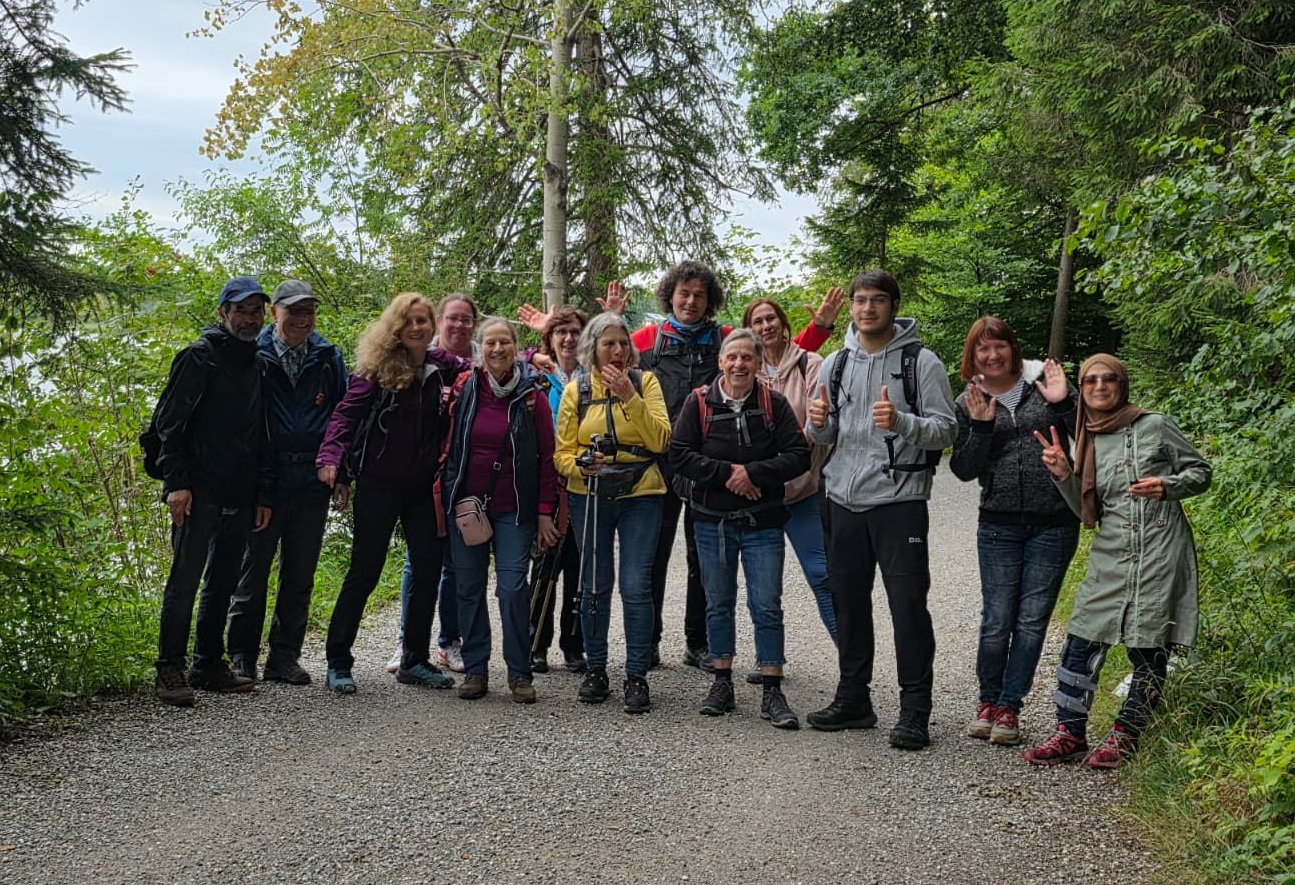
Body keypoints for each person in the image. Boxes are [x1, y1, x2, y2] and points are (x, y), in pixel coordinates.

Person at [524, 265, 842, 668]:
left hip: (707, 466)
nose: (690, 301)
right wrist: (558, 331)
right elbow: (601, 347)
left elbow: (767, 350)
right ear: (669, 297)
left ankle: (699, 642)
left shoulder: (723, 338)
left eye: (698, 295)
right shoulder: (652, 339)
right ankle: (650, 640)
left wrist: (819, 331)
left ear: (710, 301)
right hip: (655, 466)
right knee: (653, 555)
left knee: (703, 555)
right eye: (683, 294)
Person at [1025, 354, 1211, 768]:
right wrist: (1062, 475)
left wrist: (1168, 485)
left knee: (1149, 645)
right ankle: (1068, 733)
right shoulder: (1086, 436)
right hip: (1111, 549)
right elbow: (1086, 510)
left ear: (1121, 384)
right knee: (1080, 641)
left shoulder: (1155, 425)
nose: (1100, 386)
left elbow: (1201, 472)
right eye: (1090, 380)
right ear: (1084, 388)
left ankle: (1126, 735)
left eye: (1109, 379)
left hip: (1160, 549)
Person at [805, 269, 957, 750]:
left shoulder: (921, 362)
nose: (866, 308)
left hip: (899, 502)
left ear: (893, 306)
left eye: (877, 301)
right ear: (851, 307)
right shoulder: (835, 363)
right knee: (849, 605)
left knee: (907, 607)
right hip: (842, 500)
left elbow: (946, 430)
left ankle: (915, 711)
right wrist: (817, 426)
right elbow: (824, 437)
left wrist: (903, 422)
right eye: (860, 301)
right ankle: (854, 700)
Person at [315, 292, 468, 694]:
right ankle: (338, 661)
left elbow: (481, 370)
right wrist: (331, 457)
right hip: (379, 484)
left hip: (421, 487)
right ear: (396, 327)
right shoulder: (377, 368)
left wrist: (530, 362)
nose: (417, 327)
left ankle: (414, 660)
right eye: (409, 321)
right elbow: (346, 414)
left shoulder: (440, 365)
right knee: (365, 571)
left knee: (428, 568)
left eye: (423, 320)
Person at [948, 317, 1079, 745]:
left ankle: (1009, 707)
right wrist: (982, 426)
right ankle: (987, 701)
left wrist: (1062, 403)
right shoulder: (969, 399)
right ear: (973, 357)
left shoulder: (1045, 382)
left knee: (1030, 622)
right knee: (996, 619)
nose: (992, 355)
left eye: (999, 346)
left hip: (1054, 521)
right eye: (982, 349)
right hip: (999, 523)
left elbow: (1088, 430)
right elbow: (962, 470)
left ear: (1012, 348)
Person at [670, 329, 811, 728]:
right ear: (720, 362)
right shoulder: (698, 403)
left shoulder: (773, 404)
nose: (738, 364)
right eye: (732, 357)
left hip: (762, 521)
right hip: (711, 521)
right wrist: (727, 475)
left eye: (747, 358)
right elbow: (679, 455)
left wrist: (752, 473)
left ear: (757, 363)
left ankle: (772, 689)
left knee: (766, 606)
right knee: (718, 604)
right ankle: (721, 682)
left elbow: (799, 456)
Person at [151, 276, 273, 706]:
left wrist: (262, 493)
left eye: (257, 311)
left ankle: (207, 664)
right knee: (184, 581)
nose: (250, 318)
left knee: (222, 580)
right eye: (241, 310)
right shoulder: (199, 357)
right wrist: (176, 484)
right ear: (222, 313)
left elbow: (260, 435)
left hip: (239, 491)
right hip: (197, 490)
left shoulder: (258, 362)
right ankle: (169, 669)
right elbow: (169, 425)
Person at [224, 280, 348, 686]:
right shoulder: (253, 354)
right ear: (275, 312)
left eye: (308, 310)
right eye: (293, 310)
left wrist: (343, 473)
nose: (301, 318)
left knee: (300, 573)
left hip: (312, 480)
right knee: (252, 570)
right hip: (265, 481)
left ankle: (284, 656)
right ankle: (241, 654)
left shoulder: (328, 358)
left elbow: (343, 421)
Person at [553, 312, 671, 713]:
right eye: (609, 344)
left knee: (636, 585)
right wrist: (579, 466)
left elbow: (660, 439)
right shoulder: (577, 390)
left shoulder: (646, 382)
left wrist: (629, 398)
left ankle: (637, 675)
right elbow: (562, 452)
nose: (618, 351)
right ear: (593, 350)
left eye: (623, 343)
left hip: (642, 492)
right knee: (593, 583)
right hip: (590, 493)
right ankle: (596, 669)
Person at [441, 319, 560, 704]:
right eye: (490, 342)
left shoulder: (532, 396)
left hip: (515, 509)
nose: (497, 349)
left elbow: (546, 457)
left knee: (512, 589)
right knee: (469, 587)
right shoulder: (466, 389)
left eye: (504, 342)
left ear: (515, 347)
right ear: (481, 347)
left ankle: (519, 672)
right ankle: (476, 670)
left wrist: (545, 512)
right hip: (468, 506)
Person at [742, 296, 837, 681]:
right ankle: (769, 663)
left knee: (822, 574)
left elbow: (816, 427)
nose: (766, 326)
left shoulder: (809, 364)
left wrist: (779, 464)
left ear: (783, 324)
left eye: (771, 319)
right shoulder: (743, 368)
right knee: (763, 585)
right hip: (758, 496)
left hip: (801, 490)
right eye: (758, 321)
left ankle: (852, 662)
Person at [387, 292, 481, 675]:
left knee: (457, 564)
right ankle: (407, 641)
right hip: (421, 477)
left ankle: (450, 640)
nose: (458, 326)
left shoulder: (480, 361)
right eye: (452, 319)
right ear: (439, 321)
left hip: (462, 475)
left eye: (466, 319)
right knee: (418, 561)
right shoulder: (417, 358)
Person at [529, 305, 589, 675]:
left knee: (580, 569)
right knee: (544, 565)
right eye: (560, 332)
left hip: (585, 484)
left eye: (575, 332)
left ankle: (574, 646)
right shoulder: (534, 376)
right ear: (549, 339)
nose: (568, 339)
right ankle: (535, 644)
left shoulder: (597, 377)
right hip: (546, 484)